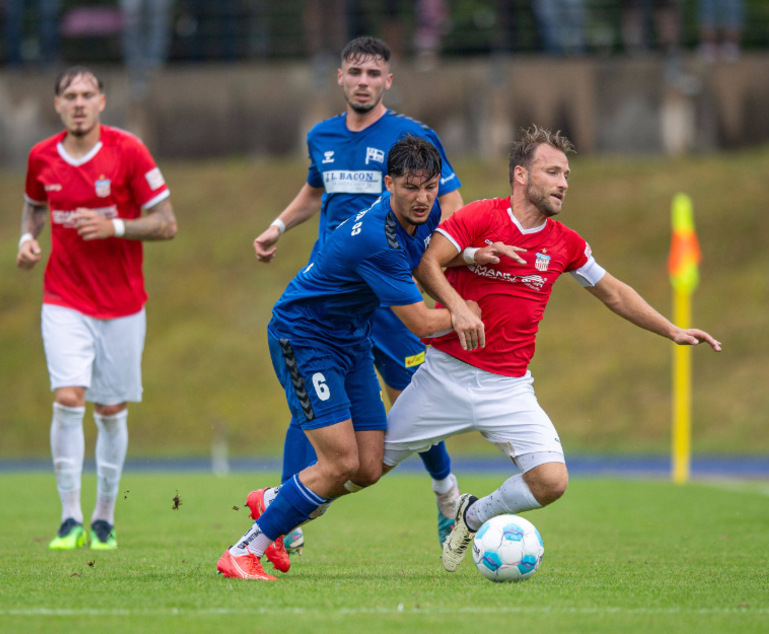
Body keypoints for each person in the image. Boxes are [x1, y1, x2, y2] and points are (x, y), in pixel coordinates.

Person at [386, 124, 721, 572]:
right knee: (362, 469)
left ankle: (472, 515)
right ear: (522, 176)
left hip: (508, 387)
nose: (565, 182)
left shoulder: (566, 244)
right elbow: (427, 264)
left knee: (551, 481)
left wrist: (672, 330)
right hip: (445, 374)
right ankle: (276, 509)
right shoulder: (478, 217)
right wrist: (459, 310)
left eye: (566, 174)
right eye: (554, 172)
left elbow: (614, 293)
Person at [217, 135, 482, 581]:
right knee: (339, 462)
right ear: (388, 183)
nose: (422, 199)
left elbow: (420, 263)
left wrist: (469, 262)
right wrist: (465, 312)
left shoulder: (425, 214)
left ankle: (275, 499)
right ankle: (244, 551)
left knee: (369, 466)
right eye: (411, 187)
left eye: (431, 186)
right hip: (304, 337)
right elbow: (419, 323)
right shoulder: (376, 238)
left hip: (350, 340)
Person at [252, 35, 465, 556]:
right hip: (336, 292)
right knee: (320, 411)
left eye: (374, 74)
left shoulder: (413, 137)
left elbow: (453, 214)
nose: (364, 82)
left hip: (389, 293)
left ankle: (445, 495)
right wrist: (280, 225)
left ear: (388, 80)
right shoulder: (322, 136)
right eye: (355, 72)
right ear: (341, 78)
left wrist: (460, 271)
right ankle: (285, 516)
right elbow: (315, 191)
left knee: (410, 395)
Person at [15, 66, 178, 551]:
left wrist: (117, 228)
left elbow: (167, 224)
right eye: (70, 95)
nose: (79, 102)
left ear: (102, 101)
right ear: (58, 104)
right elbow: (34, 205)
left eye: (88, 94)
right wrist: (27, 238)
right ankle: (69, 518)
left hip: (123, 304)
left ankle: (103, 518)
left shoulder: (128, 150)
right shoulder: (41, 156)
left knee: (109, 408)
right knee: (68, 399)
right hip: (64, 298)